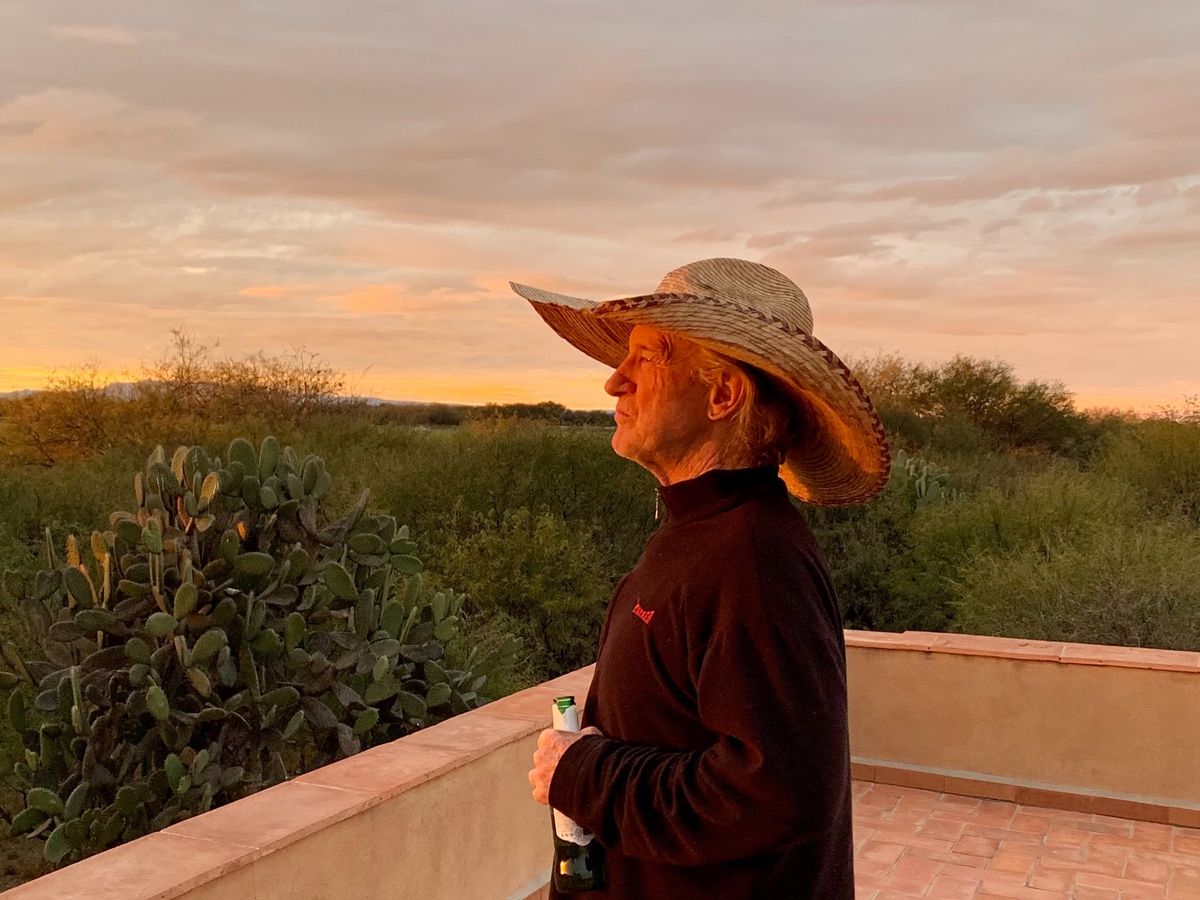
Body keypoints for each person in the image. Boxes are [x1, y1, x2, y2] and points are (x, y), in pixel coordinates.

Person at [513, 258, 891, 899]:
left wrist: (582, 774)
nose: (614, 381)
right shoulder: (705, 534)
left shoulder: (756, 561)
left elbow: (779, 793)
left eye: (646, 357)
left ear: (722, 396)